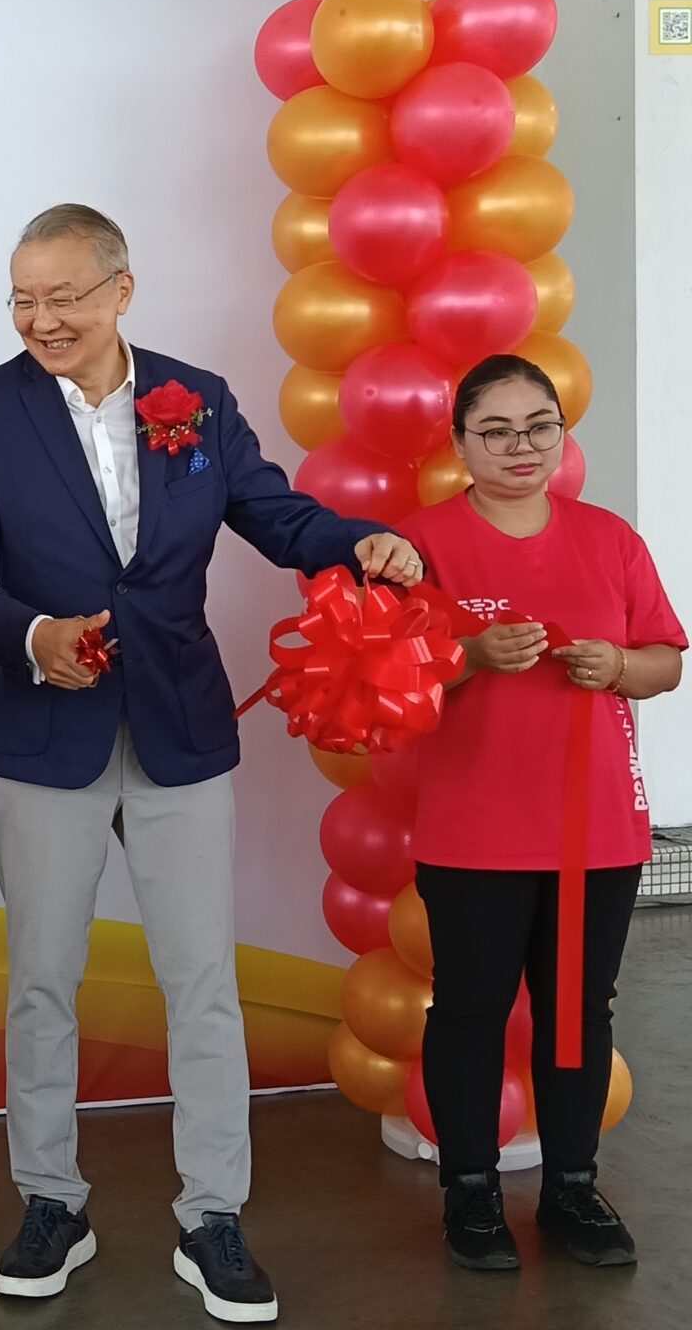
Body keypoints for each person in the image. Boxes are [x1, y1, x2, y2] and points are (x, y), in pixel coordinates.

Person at [0, 205, 426, 1325]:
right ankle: (51, 1202)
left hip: (179, 730)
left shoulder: (192, 398)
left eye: (62, 296)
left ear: (121, 290)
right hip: (42, 735)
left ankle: (213, 1217)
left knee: (202, 984)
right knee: (41, 983)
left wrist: (356, 543)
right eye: (22, 298)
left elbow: (274, 514)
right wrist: (31, 636)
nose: (39, 319)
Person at [396, 354, 683, 1272]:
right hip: (474, 830)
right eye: (496, 430)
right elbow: (388, 678)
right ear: (459, 443)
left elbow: (665, 661)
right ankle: (470, 1192)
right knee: (470, 1009)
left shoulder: (609, 539)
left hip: (594, 831)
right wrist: (470, 656)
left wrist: (620, 667)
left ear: (562, 433)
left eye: (539, 426)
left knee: (579, 1013)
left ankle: (572, 1187)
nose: (521, 446)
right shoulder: (421, 544)